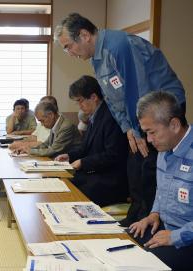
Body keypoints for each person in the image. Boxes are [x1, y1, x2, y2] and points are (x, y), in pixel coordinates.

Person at [54, 13, 186, 226]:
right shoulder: (97, 60)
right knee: (134, 168)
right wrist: (128, 128)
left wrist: (139, 129)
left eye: (68, 46)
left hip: (162, 110)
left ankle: (151, 223)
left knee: (149, 168)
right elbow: (114, 99)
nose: (69, 53)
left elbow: (137, 89)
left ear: (85, 35)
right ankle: (136, 217)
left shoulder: (118, 45)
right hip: (137, 118)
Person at [128, 91, 192, 271]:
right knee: (119, 242)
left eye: (152, 132)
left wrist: (176, 236)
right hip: (166, 228)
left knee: (142, 265)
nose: (149, 140)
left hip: (186, 237)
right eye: (146, 133)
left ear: (174, 124)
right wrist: (154, 214)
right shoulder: (164, 150)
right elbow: (162, 190)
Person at [54, 76, 128, 206]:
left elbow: (113, 155)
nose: (79, 106)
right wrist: (69, 156)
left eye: (80, 101)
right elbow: (85, 147)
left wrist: (82, 162)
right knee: (60, 180)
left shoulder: (110, 116)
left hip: (110, 179)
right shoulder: (95, 116)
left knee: (71, 191)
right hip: (95, 173)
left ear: (94, 97)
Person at [14, 102, 81, 157]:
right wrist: (27, 148)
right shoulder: (56, 123)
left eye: (42, 121)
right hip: (60, 159)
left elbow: (52, 151)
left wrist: (30, 151)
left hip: (72, 162)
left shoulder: (65, 126)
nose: (42, 124)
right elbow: (45, 144)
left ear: (51, 115)